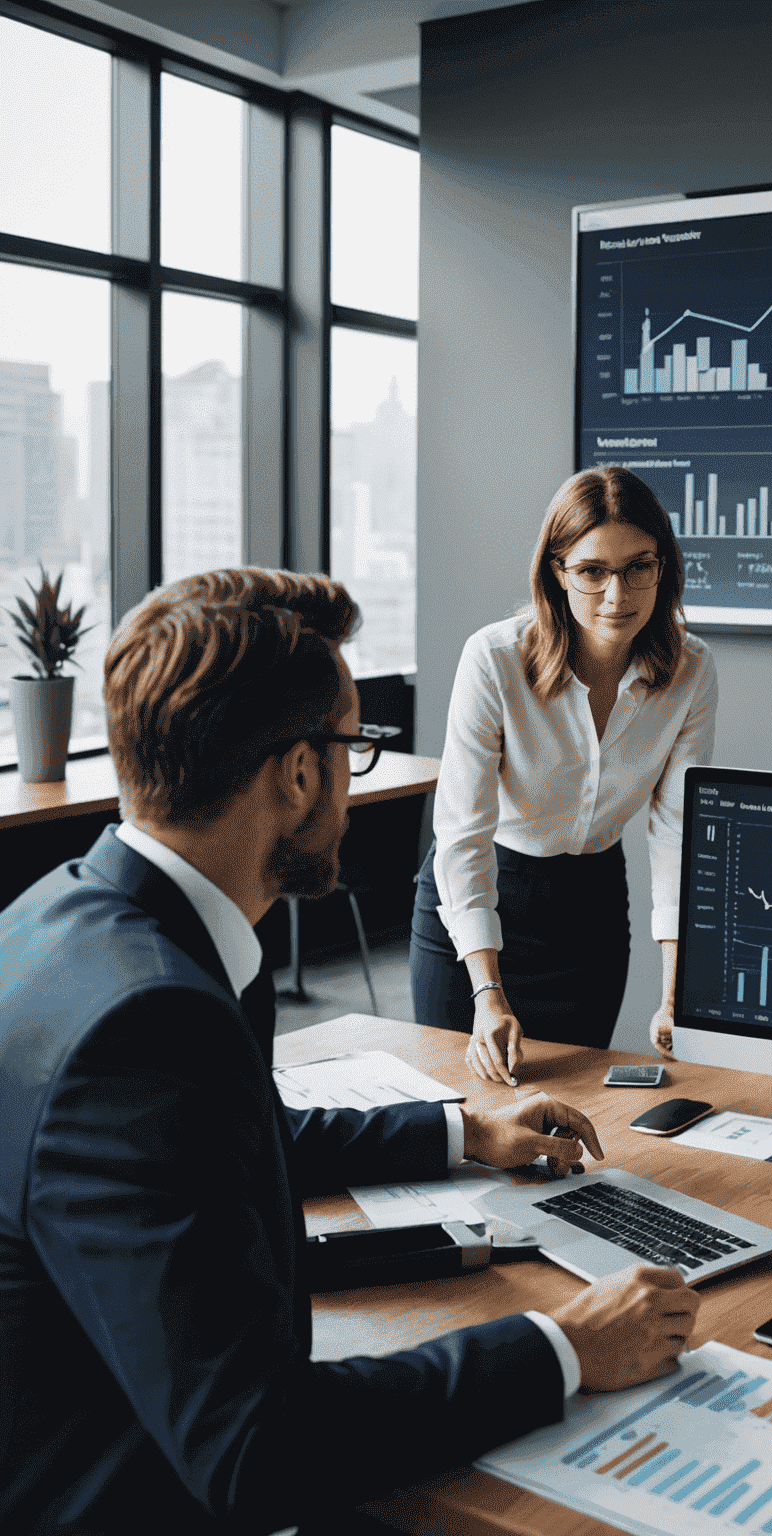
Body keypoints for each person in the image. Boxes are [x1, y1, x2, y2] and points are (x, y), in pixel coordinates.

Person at [0, 568, 701, 1535]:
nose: (349, 779)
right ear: (297, 773)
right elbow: (257, 1451)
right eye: (350, 749)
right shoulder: (151, 1023)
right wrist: (563, 1346)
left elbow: (240, 1142)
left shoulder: (79, 917)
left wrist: (464, 1133)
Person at [410, 466, 716, 1081]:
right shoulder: (495, 659)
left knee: (570, 1115)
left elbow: (679, 833)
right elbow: (462, 834)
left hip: (590, 914)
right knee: (456, 1107)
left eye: (639, 567)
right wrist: (487, 994)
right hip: (476, 903)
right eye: (592, 570)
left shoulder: (690, 670)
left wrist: (676, 991)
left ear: (664, 567)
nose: (617, 594)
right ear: (557, 571)